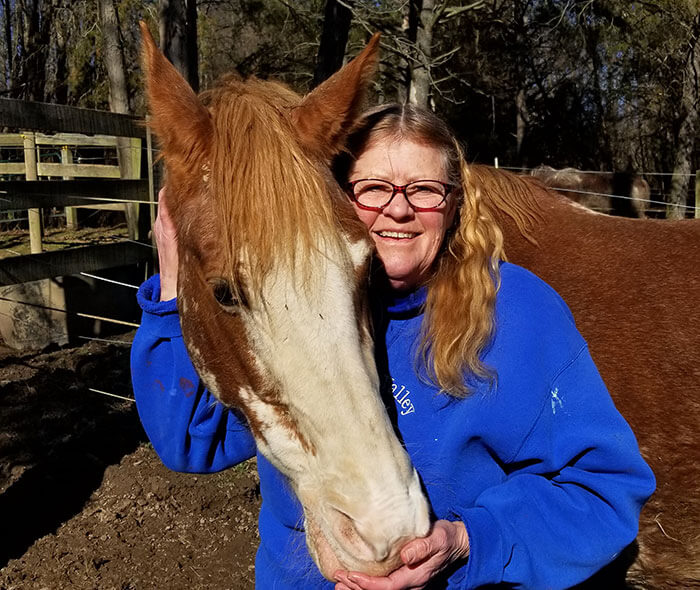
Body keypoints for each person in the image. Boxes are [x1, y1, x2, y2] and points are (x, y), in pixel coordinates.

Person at [131, 103, 655, 590]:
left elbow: (604, 492)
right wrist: (173, 282)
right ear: (336, 196)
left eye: (425, 189)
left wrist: (470, 541)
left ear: (454, 205)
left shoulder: (520, 314)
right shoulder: (294, 309)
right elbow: (191, 438)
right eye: (373, 188)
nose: (398, 210)